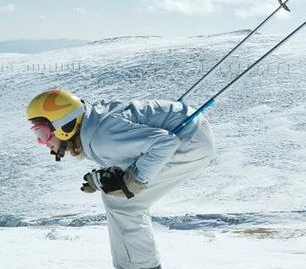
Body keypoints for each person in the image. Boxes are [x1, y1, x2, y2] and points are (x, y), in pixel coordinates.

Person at [27, 89, 215, 269]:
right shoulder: (94, 126)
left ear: (64, 125)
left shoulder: (101, 138)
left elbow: (165, 143)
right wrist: (104, 179)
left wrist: (136, 179)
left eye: (42, 133)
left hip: (190, 141)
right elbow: (127, 152)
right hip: (190, 131)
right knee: (117, 196)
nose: (42, 142)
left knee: (123, 203)